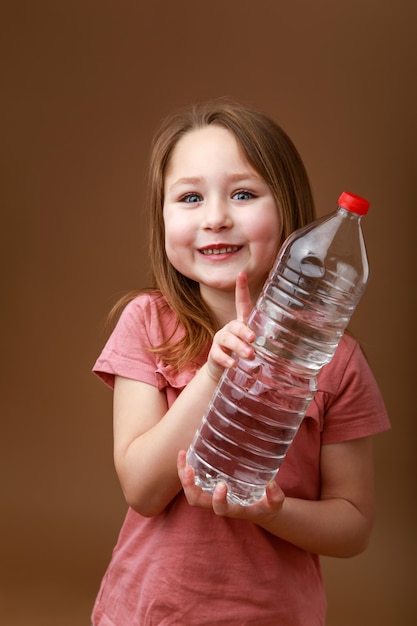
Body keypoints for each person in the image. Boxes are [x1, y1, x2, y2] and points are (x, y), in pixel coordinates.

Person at [91, 98, 390, 625]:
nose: (216, 218)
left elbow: (353, 526)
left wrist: (274, 512)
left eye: (244, 194)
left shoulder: (335, 361)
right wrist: (213, 375)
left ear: (292, 215)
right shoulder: (148, 324)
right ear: (161, 217)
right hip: (150, 613)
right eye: (188, 197)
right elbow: (142, 488)